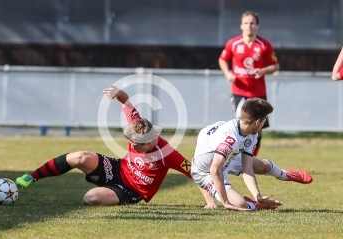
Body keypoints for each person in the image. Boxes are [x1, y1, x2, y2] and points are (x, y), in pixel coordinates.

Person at [15, 85, 195, 206]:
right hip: (117, 169)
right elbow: (126, 100)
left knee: (90, 198)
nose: (131, 144)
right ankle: (31, 177)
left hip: (130, 191)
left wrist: (211, 200)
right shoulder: (139, 126)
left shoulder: (168, 154)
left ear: (148, 143)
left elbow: (195, 172)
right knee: (80, 157)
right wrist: (117, 92)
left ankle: (109, 192)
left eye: (135, 144)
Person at [191, 97, 282, 211]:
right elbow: (214, 170)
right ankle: (254, 206)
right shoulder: (230, 138)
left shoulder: (251, 134)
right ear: (257, 122)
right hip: (204, 173)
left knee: (261, 166)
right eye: (265, 120)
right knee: (240, 204)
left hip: (223, 161)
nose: (264, 123)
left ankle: (285, 175)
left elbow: (247, 169)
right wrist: (226, 203)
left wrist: (257, 195)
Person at [219, 11, 280, 156]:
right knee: (242, 125)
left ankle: (251, 158)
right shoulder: (233, 43)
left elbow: (275, 66)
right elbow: (222, 59)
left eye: (252, 23)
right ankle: (235, 157)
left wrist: (263, 70)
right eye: (246, 23)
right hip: (239, 92)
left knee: (257, 128)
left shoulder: (264, 45)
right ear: (241, 25)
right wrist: (228, 74)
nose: (249, 26)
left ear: (257, 25)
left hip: (258, 93)